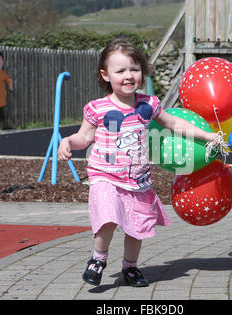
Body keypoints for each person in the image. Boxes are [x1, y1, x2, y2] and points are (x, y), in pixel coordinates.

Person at [58, 38, 221, 287]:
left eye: (134, 69)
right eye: (120, 70)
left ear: (142, 72)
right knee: (108, 217)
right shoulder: (98, 108)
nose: (128, 75)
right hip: (105, 176)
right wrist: (68, 142)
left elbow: (175, 124)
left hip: (138, 181)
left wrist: (208, 135)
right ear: (106, 75)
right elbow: (84, 137)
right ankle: (98, 259)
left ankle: (130, 268)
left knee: (137, 228)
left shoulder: (149, 104)